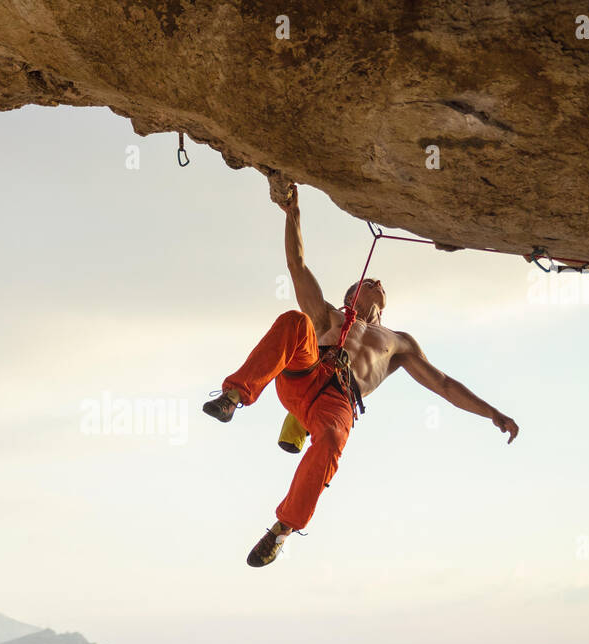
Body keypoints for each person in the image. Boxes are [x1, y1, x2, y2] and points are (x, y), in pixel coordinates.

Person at [203, 185, 520, 567]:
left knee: (334, 438)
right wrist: (293, 214)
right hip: (309, 370)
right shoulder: (330, 317)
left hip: (340, 400)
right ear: (351, 294)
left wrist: (492, 413)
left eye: (381, 287)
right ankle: (234, 397)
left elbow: (444, 385)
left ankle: (281, 530)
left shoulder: (399, 343)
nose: (378, 284)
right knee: (294, 321)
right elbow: (297, 266)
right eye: (370, 282)